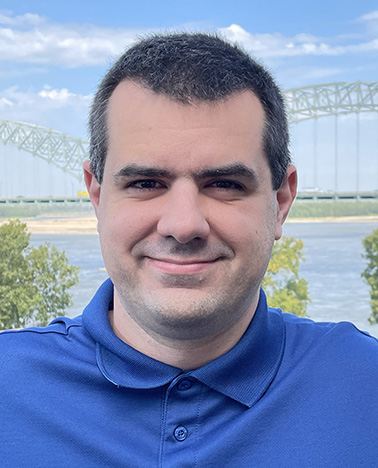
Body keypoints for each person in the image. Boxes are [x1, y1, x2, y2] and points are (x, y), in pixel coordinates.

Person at [1, 33, 378, 468]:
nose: (183, 226)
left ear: (280, 201)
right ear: (97, 197)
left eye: (224, 184)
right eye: (145, 184)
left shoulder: (365, 386)